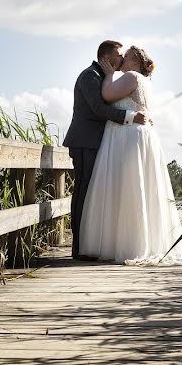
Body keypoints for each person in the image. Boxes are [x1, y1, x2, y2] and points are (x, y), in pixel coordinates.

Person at [79, 46, 182, 265]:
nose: (122, 58)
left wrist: (109, 75)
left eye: (127, 55)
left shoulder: (132, 76)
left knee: (128, 188)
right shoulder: (145, 81)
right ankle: (136, 241)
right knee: (137, 188)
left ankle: (129, 245)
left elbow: (106, 95)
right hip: (138, 135)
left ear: (134, 61)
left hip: (128, 136)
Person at [63, 40, 148, 261]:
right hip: (85, 142)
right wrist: (130, 117)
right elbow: (99, 109)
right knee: (83, 192)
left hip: (96, 142)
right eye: (119, 55)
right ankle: (79, 248)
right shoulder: (90, 76)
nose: (121, 59)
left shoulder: (102, 77)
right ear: (107, 57)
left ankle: (90, 245)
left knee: (91, 193)